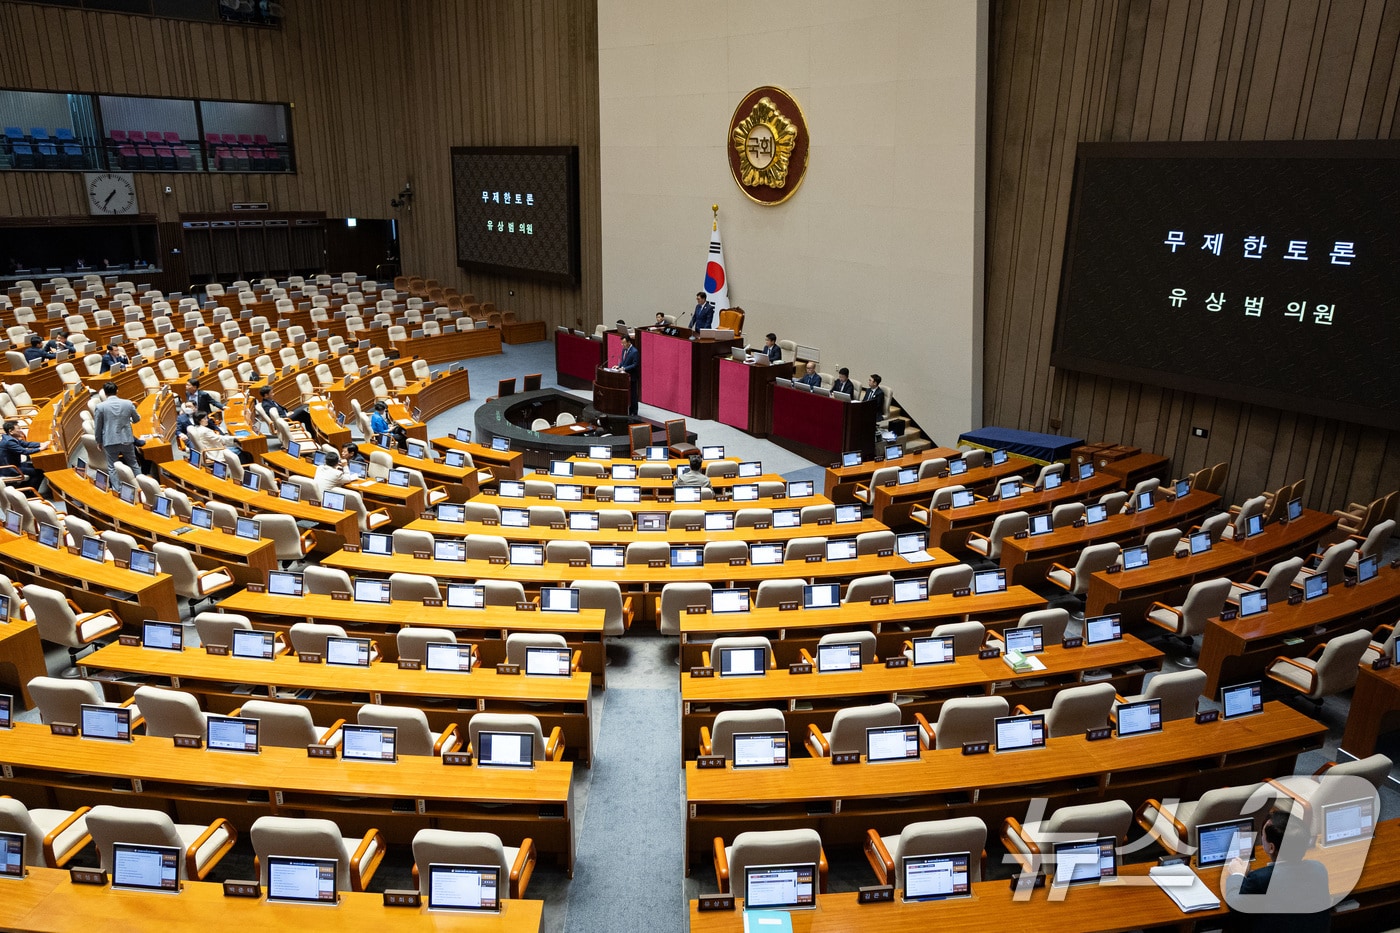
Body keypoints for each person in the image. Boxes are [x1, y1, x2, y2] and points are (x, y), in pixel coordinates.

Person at [1224, 809, 1332, 932]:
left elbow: (1235, 903)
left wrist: (1237, 874)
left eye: (1262, 835)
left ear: (1271, 847)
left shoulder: (1261, 879)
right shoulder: (1319, 868)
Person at [92, 381, 140, 484]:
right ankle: (141, 487)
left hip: (110, 440)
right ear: (117, 391)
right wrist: (128, 420)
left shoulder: (100, 407)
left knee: (112, 467)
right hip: (127, 439)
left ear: (105, 393)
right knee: (133, 464)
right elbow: (137, 419)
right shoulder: (128, 403)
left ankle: (117, 490)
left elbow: (98, 426)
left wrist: (98, 441)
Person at [0, 419, 45, 491]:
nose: (20, 430)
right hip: (10, 469)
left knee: (37, 466)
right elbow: (24, 451)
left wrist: (40, 444)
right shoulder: (9, 442)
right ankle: (28, 493)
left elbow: (26, 444)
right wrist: (41, 449)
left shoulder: (10, 438)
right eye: (18, 429)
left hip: (15, 465)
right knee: (39, 472)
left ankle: (24, 489)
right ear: (11, 431)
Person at [617, 334, 641, 416]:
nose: (622, 345)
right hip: (625, 376)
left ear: (629, 342)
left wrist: (624, 368)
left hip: (632, 376)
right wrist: (619, 366)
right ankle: (628, 410)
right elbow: (624, 361)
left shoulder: (634, 351)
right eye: (622, 343)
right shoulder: (624, 350)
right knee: (627, 394)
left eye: (624, 343)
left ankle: (634, 411)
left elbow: (635, 364)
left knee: (633, 394)